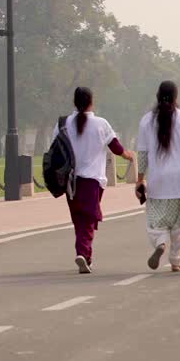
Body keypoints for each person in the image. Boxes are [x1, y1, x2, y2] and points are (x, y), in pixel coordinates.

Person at [63, 87, 133, 274]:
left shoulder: (64, 123)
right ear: (91, 102)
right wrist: (129, 156)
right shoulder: (101, 124)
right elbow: (116, 148)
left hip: (70, 181)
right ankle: (83, 254)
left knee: (80, 218)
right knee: (88, 219)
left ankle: (85, 254)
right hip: (92, 180)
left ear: (74, 102)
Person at [135, 81, 180, 272]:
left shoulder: (146, 120)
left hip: (158, 181)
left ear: (157, 96)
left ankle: (160, 242)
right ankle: (176, 261)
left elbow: (142, 154)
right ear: (175, 97)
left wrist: (140, 180)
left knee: (156, 221)